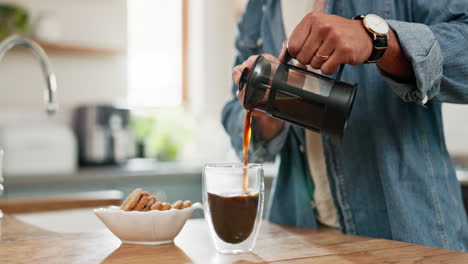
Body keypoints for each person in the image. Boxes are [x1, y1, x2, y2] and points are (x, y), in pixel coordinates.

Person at [222, 0, 468, 251]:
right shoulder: (261, 7)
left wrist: (378, 39)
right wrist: (268, 106)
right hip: (299, 236)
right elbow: (238, 120)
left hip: (407, 235)